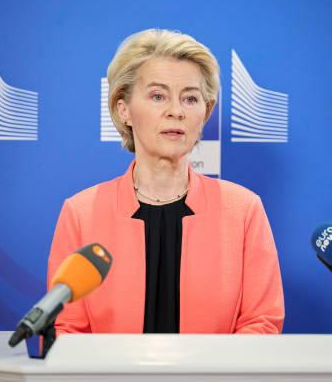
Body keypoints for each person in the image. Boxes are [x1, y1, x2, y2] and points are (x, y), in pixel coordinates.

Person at [48, 29, 284, 334]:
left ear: (206, 112)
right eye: (158, 96)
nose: (176, 111)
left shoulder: (243, 210)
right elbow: (64, 330)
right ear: (124, 109)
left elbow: (261, 323)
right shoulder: (81, 213)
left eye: (190, 98)